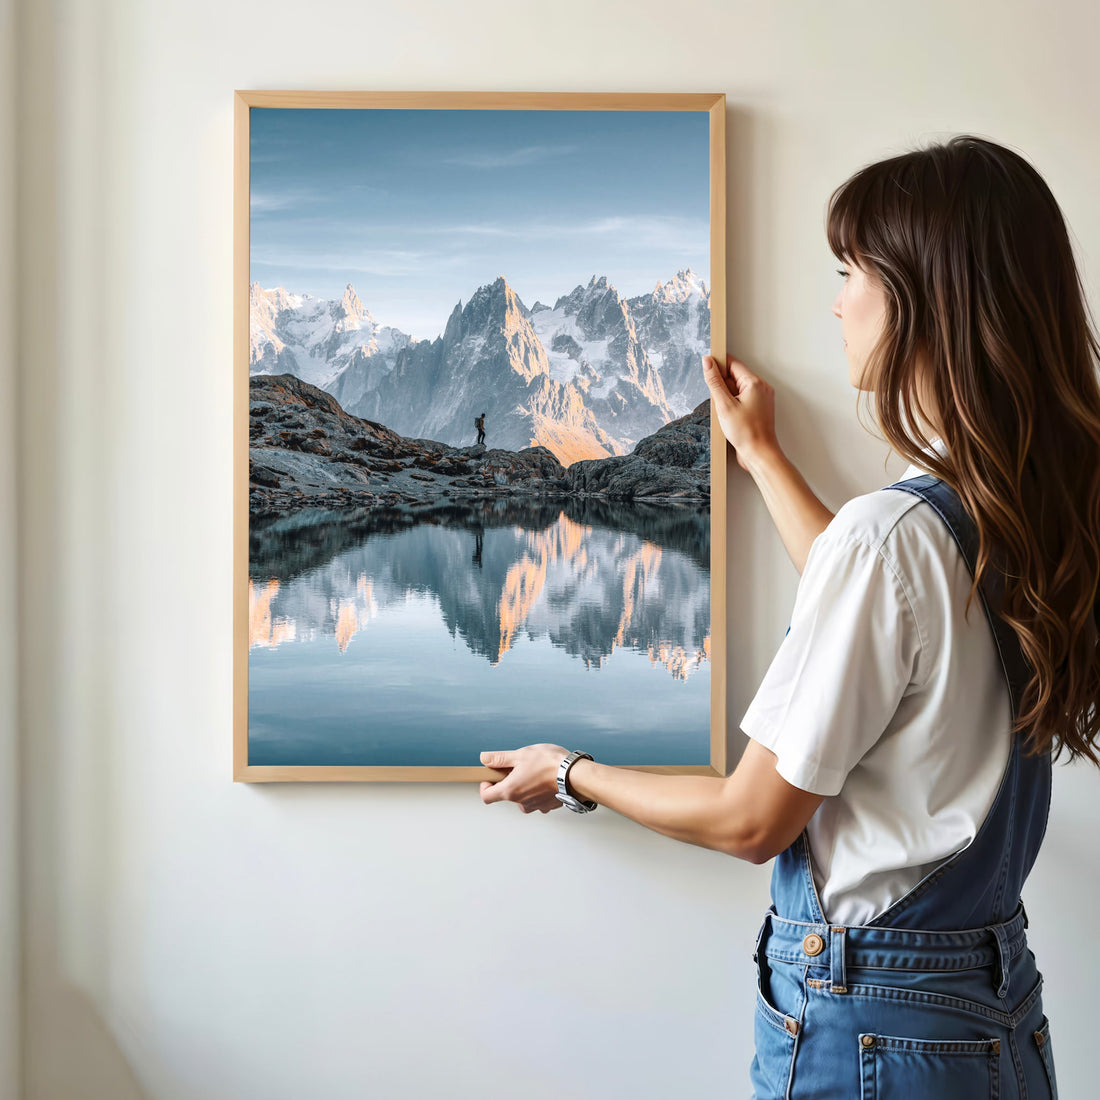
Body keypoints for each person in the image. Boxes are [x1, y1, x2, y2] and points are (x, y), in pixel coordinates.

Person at [477, 135, 1099, 1098]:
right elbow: (889, 621)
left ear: (923, 300)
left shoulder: (894, 536)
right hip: (989, 1014)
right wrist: (763, 455)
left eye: (852, 271)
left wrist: (569, 771)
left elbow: (750, 819)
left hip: (873, 1030)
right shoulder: (1018, 508)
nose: (838, 299)